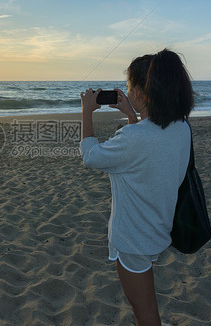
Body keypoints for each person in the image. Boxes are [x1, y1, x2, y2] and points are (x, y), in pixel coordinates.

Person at [79, 49, 195, 325]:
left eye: (130, 86)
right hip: (157, 229)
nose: (127, 90)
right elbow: (150, 151)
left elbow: (90, 157)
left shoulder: (133, 138)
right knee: (147, 307)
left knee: (146, 314)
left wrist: (86, 113)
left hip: (134, 239)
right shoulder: (181, 127)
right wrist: (133, 115)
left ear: (142, 93)